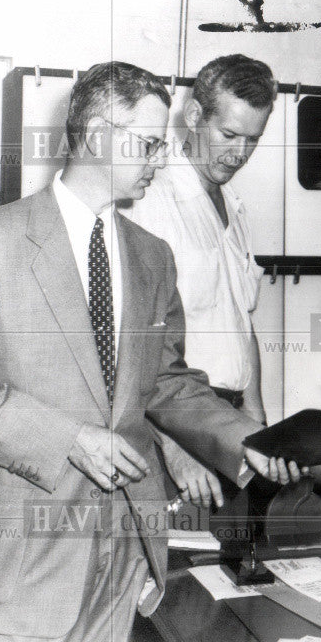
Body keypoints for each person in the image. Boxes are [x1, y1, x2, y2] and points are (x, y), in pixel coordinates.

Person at [0, 61, 300, 642]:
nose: (161, 158)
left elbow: (166, 382)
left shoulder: (151, 255)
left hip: (125, 550)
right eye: (150, 144)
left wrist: (245, 442)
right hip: (26, 557)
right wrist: (69, 440)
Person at [122, 54, 276, 513]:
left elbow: (241, 320)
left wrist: (256, 417)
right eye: (228, 135)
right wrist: (172, 445)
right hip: (175, 427)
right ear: (193, 116)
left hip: (229, 425)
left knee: (232, 574)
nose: (239, 154)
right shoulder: (150, 199)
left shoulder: (235, 205)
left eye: (253, 140)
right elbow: (131, 343)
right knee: (180, 577)